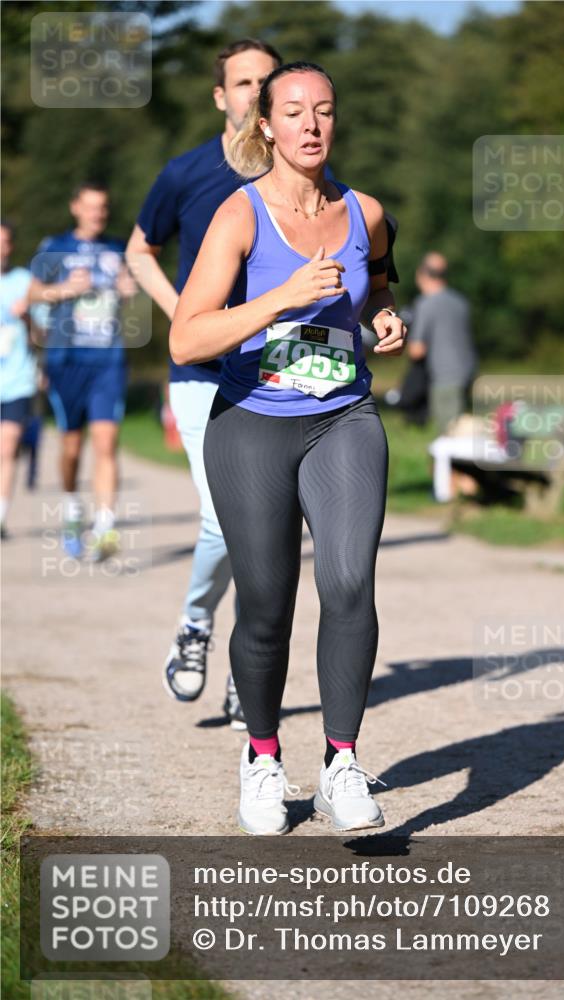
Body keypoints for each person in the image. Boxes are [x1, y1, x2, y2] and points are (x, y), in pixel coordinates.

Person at [170, 61, 406, 836]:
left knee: (347, 582)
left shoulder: (363, 211)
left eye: (325, 111)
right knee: (266, 605)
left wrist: (383, 317)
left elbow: (376, 280)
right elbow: (188, 333)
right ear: (265, 125)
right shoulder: (239, 216)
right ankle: (262, 759)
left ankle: (341, 764)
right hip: (251, 424)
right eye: (294, 111)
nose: (311, 124)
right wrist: (280, 297)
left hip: (342, 418)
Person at [127, 39, 282, 720]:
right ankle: (195, 626)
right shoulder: (186, 172)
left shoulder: (299, 176)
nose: (255, 91)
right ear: (222, 97)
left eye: (267, 82)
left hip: (278, 372)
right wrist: (185, 314)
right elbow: (139, 251)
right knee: (224, 517)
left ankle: (249, 664)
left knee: (268, 525)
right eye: (243, 82)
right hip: (199, 372)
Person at [28, 183, 136, 560]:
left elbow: (131, 288)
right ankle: (73, 507)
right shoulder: (55, 246)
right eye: (90, 207)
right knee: (71, 448)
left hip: (107, 360)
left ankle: (105, 528)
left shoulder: (118, 249)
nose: (97, 214)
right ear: (76, 208)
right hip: (65, 360)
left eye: (103, 208)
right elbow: (30, 293)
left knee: (107, 442)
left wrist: (128, 288)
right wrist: (63, 290)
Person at [407, 251, 477, 435]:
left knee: (449, 436)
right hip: (468, 372)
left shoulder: (426, 303)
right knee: (462, 426)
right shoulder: (460, 302)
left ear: (422, 273)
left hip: (444, 377)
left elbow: (417, 350)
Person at [0, 221, 38, 539]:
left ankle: (0, 517)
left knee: (7, 447)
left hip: (16, 381)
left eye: (6, 242)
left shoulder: (25, 281)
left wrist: (26, 317)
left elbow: (42, 335)